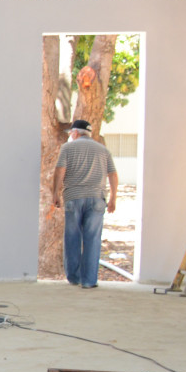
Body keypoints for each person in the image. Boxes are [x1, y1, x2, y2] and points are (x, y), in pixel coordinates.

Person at [52, 119, 118, 288]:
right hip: (97, 198)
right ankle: (88, 281)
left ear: (75, 133)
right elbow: (113, 174)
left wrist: (56, 193)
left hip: (73, 197)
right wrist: (113, 198)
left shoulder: (67, 148)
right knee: (92, 239)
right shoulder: (103, 150)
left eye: (71, 133)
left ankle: (74, 277)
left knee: (72, 237)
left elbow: (60, 170)